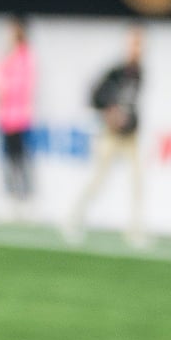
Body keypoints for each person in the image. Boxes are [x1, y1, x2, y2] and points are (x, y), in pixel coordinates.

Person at [63, 25, 149, 248]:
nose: (137, 48)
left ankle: (134, 230)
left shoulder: (139, 72)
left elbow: (133, 105)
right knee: (98, 180)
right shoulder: (116, 71)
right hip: (111, 135)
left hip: (130, 136)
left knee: (137, 181)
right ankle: (74, 218)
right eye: (134, 43)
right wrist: (110, 114)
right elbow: (95, 96)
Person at [0, 15, 36, 221]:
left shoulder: (25, 57)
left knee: (21, 160)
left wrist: (5, 88)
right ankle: (10, 198)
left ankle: (26, 199)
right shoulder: (5, 56)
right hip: (4, 117)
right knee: (8, 161)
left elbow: (21, 86)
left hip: (19, 118)